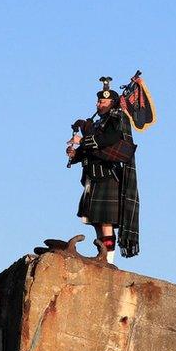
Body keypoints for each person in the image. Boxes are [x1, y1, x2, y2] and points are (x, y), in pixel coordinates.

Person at [66, 78, 140, 263]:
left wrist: (82, 140)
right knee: (97, 222)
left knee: (106, 223)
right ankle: (102, 257)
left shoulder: (116, 119)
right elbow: (90, 149)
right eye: (98, 101)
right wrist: (74, 154)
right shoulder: (98, 124)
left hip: (107, 176)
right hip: (93, 176)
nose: (98, 104)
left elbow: (108, 141)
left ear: (111, 103)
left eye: (102, 102)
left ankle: (108, 261)